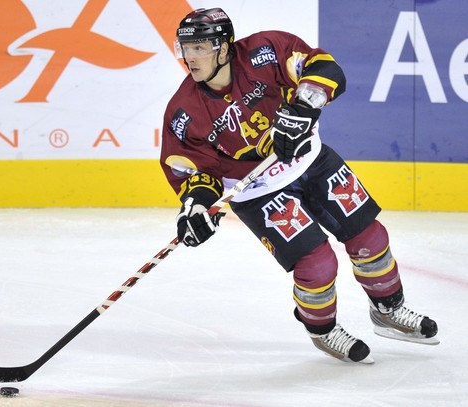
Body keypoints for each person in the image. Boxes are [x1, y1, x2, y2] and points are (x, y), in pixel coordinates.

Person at [159, 7, 439, 363]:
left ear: (225, 46)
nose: (190, 57)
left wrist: (304, 107)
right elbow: (192, 171)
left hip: (311, 160)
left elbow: (324, 67)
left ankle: (388, 310)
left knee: (370, 237)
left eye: (200, 47)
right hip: (259, 192)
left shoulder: (265, 51)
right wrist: (198, 207)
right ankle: (322, 331)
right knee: (317, 264)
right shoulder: (183, 112)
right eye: (186, 48)